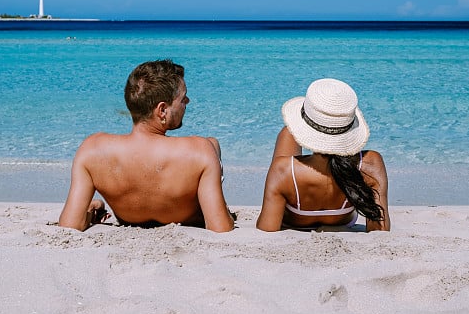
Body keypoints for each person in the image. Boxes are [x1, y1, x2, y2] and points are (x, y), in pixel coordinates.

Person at [59, 59, 235, 233]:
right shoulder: (200, 151)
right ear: (162, 110)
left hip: (129, 217)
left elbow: (70, 226)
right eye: (182, 98)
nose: (187, 101)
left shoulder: (92, 150)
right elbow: (220, 228)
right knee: (213, 144)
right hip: (185, 217)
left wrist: (90, 212)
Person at [256, 78, 390, 232]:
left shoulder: (283, 170)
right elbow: (379, 229)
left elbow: (266, 228)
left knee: (288, 133)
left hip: (294, 212)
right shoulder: (370, 163)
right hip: (342, 219)